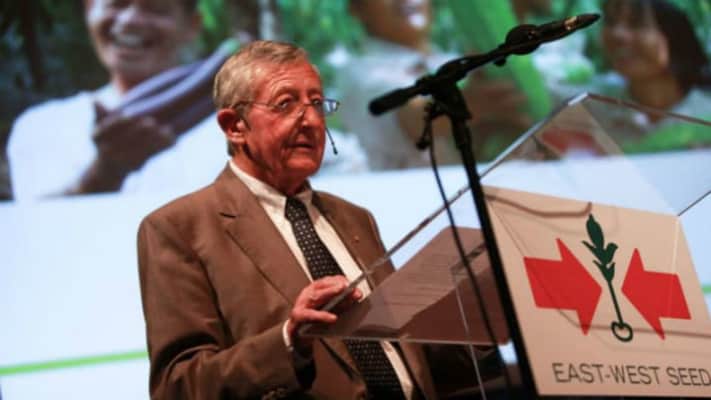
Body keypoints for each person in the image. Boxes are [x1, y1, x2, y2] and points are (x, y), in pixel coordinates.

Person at [137, 40, 501, 399]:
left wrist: (484, 314)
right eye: (285, 104)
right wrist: (288, 341)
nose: (312, 121)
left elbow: (412, 364)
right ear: (235, 126)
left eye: (316, 103)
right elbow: (178, 387)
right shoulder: (179, 228)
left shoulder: (355, 218)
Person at [7, 0, 227, 201]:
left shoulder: (234, 131)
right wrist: (105, 172)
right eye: (116, 4)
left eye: (156, 9)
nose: (130, 19)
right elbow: (36, 224)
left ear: (192, 25)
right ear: (89, 11)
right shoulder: (42, 127)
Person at [335, 0, 530, 170]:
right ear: (356, 8)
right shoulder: (358, 75)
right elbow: (412, 119)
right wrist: (471, 103)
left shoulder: (455, 64)